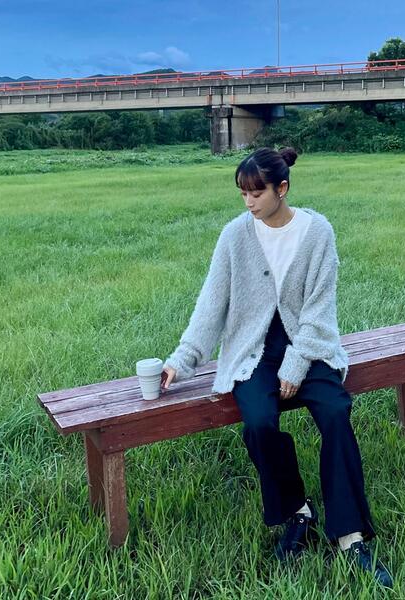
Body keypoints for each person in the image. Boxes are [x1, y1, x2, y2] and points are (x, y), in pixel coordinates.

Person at [162, 146, 392, 587]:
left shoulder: (317, 231)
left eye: (257, 193)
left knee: (336, 412)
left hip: (310, 345)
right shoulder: (235, 235)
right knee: (259, 423)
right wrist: (182, 359)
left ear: (282, 188)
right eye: (243, 194)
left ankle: (350, 536)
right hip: (253, 350)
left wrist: (297, 362)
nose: (248, 202)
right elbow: (211, 304)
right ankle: (298, 511)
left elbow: (320, 311)